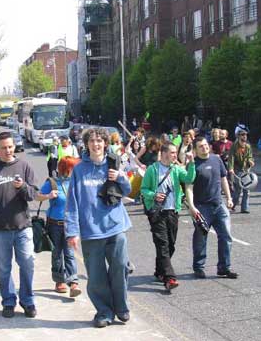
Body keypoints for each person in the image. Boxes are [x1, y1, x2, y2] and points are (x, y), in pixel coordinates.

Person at [65, 127, 132, 328]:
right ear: (86, 145)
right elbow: (72, 203)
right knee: (96, 277)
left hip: (115, 226)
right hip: (91, 231)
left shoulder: (114, 163)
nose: (96, 144)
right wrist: (72, 232)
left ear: (105, 143)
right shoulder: (79, 170)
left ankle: (121, 307)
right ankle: (104, 311)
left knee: (120, 268)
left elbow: (128, 190)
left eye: (100, 141)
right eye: (92, 141)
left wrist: (119, 177)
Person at [0, 131, 37, 319]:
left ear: (15, 146)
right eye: (3, 147)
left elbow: (32, 195)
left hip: (23, 227)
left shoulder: (24, 166)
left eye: (10, 146)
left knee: (28, 265)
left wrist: (21, 187)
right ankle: (8, 301)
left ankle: (27, 301)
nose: (7, 150)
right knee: (4, 268)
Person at [141, 143, 195, 288]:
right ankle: (169, 278)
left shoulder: (176, 169)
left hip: (173, 212)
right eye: (172, 153)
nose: (174, 156)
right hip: (157, 212)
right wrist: (154, 195)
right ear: (163, 153)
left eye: (175, 153)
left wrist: (191, 163)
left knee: (170, 245)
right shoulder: (152, 170)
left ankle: (159, 271)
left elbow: (190, 178)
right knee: (162, 244)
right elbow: (143, 190)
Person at [185, 136, 238, 279]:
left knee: (226, 236)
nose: (204, 147)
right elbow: (188, 187)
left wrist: (229, 198)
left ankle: (224, 268)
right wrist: (191, 207)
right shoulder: (193, 164)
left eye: (205, 145)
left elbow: (223, 179)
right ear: (195, 150)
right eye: (200, 146)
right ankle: (198, 267)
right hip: (202, 207)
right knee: (201, 238)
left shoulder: (216, 159)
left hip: (219, 205)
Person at [37, 156, 82, 297]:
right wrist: (48, 196)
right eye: (73, 168)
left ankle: (73, 282)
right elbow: (37, 196)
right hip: (54, 224)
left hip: (70, 225)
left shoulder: (76, 182)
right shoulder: (52, 182)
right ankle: (59, 281)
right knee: (57, 253)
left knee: (69, 253)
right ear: (66, 168)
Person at [228, 130, 254, 213]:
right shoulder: (234, 146)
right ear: (238, 136)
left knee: (247, 189)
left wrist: (251, 161)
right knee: (238, 190)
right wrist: (231, 168)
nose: (244, 136)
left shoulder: (248, 146)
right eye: (242, 135)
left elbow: (250, 156)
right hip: (237, 169)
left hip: (246, 170)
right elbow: (231, 157)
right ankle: (232, 205)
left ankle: (244, 208)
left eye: (245, 135)